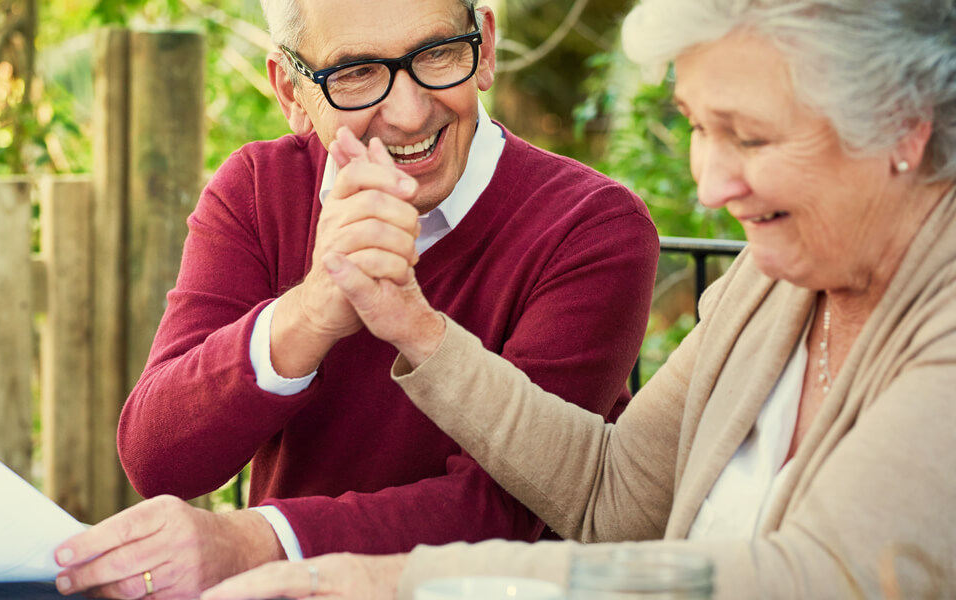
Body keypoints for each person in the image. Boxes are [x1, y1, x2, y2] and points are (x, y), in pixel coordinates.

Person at [198, 0, 956, 598]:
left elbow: (810, 580)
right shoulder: (774, 284)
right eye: (697, 127)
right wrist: (415, 327)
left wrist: (406, 584)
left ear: (904, 129)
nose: (709, 184)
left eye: (749, 138)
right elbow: (613, 495)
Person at [52, 0, 659, 597]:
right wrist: (312, 311)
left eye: (439, 54)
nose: (409, 111)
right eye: (356, 74)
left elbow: (508, 510)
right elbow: (159, 460)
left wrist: (250, 543)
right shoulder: (259, 191)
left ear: (486, 51)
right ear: (292, 92)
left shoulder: (592, 226)